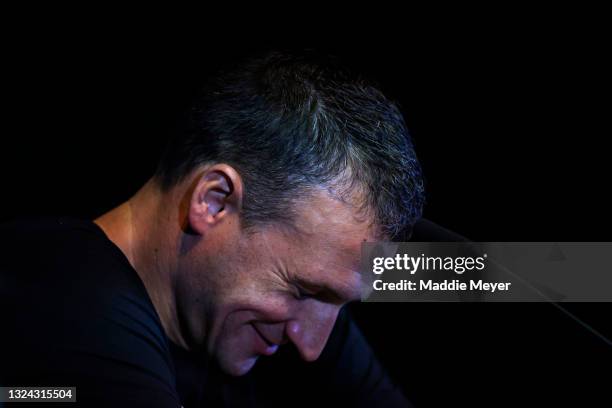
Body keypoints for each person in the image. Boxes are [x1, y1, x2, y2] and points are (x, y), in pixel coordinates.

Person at [0, 51, 425, 407]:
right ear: (214, 201)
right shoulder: (67, 306)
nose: (312, 346)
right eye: (303, 291)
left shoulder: (289, 305)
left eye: (338, 303)